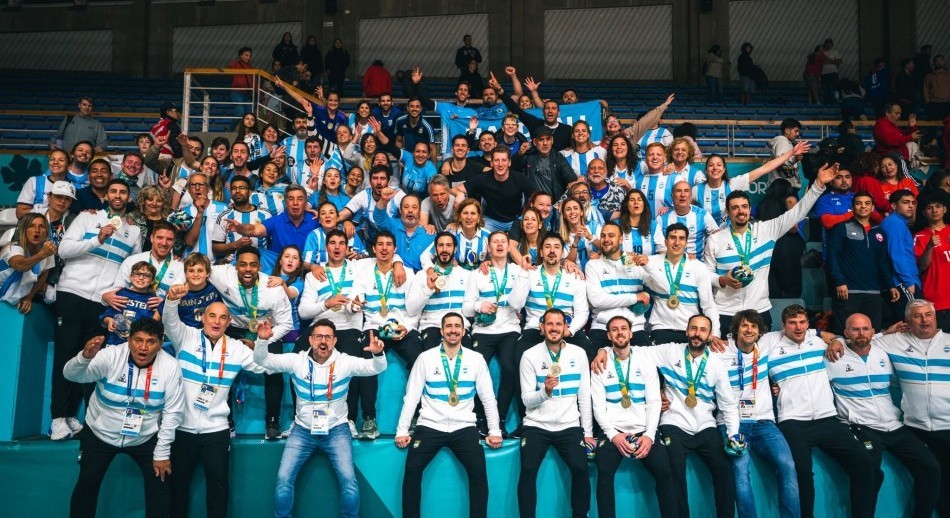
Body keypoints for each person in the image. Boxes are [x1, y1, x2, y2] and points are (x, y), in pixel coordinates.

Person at [254, 318, 387, 518]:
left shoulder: (345, 362)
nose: (322, 341)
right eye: (318, 337)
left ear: (334, 341)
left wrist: (378, 354)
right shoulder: (296, 360)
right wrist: (262, 341)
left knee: (349, 481)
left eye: (327, 337)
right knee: (283, 479)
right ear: (310, 340)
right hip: (302, 431)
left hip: (337, 430)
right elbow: (262, 360)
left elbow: (377, 368)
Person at [826, 300, 949, 516]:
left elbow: (878, 339)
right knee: (870, 470)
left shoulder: (882, 351)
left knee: (930, 467)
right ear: (846, 332)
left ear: (873, 331)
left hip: (895, 425)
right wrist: (835, 340)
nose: (861, 333)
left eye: (866, 329)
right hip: (862, 426)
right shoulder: (833, 357)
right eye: (855, 329)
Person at [162, 286, 270, 518]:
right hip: (182, 429)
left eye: (223, 317)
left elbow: (262, 366)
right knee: (177, 487)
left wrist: (261, 342)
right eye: (212, 315)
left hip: (216, 431)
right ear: (202, 317)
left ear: (229, 322)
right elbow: (169, 321)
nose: (217, 321)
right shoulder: (186, 337)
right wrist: (171, 300)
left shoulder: (236, 348)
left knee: (218, 488)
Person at [63, 319, 184, 518]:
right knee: (87, 483)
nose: (143, 347)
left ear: (161, 344)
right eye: (138, 340)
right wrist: (84, 358)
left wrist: (162, 453)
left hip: (145, 437)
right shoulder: (110, 355)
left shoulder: (170, 367)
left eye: (151, 342)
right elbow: (71, 375)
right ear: (129, 340)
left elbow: (173, 412)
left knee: (160, 484)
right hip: (100, 433)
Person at [51, 179, 142, 441]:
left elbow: (129, 270)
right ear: (106, 196)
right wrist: (97, 239)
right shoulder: (86, 218)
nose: (118, 195)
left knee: (89, 359)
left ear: (128, 198)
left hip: (103, 302)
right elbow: (64, 250)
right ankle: (58, 417)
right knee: (66, 355)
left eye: (123, 192)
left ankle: (72, 416)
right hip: (72, 293)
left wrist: (110, 294)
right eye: (113, 191)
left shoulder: (133, 231)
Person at [765, 305, 874, 518]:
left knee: (864, 464)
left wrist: (833, 340)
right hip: (793, 422)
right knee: (803, 474)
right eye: (792, 323)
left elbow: (839, 338)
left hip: (827, 420)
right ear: (783, 325)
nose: (798, 327)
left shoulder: (818, 342)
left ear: (809, 324)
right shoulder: (771, 344)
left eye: (803, 322)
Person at [704, 161, 835, 334]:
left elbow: (798, 212)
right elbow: (706, 276)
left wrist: (818, 185)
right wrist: (722, 280)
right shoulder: (715, 239)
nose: (740, 211)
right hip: (726, 311)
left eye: (744, 207)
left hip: (759, 310)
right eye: (734, 208)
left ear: (750, 210)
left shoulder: (766, 230)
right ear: (728, 212)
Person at [395, 312, 502, 518]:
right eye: (449, 326)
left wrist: (495, 430)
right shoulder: (425, 358)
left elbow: (488, 398)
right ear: (441, 331)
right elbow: (412, 397)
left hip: (464, 428)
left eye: (457, 326)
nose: (453, 330)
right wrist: (402, 430)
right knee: (412, 473)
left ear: (463, 331)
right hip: (429, 426)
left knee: (479, 475)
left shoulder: (476, 359)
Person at [715, 310, 800, 518]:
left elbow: (797, 330)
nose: (749, 330)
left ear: (760, 331)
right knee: (741, 475)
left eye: (753, 326)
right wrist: (710, 338)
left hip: (764, 422)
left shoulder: (766, 344)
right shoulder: (719, 352)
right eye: (744, 325)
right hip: (732, 425)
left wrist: (832, 338)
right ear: (735, 330)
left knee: (788, 466)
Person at [589, 315, 676, 518]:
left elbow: (654, 402)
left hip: (643, 430)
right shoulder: (600, 363)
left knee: (665, 472)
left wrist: (649, 436)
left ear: (630, 333)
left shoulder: (645, 360)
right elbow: (598, 406)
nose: (620, 332)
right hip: (614, 431)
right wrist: (613, 435)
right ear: (609, 335)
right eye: (615, 329)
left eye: (623, 328)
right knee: (604, 473)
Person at [517, 308, 595, 518]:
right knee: (528, 470)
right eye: (549, 324)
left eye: (558, 324)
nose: (554, 328)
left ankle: (580, 515)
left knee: (580, 469)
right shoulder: (529, 355)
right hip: (536, 425)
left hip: (568, 425)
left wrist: (587, 432)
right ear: (541, 328)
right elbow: (526, 400)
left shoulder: (578, 354)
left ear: (565, 328)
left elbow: (584, 397)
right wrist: (545, 392)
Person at [298, 230, 373, 439]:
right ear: (326, 248)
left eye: (342, 243)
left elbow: (391, 254)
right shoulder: (316, 274)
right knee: (298, 356)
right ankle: (301, 420)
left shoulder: (358, 268)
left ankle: (348, 419)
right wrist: (326, 303)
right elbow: (303, 311)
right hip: (321, 326)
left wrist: (354, 307)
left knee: (351, 357)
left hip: (349, 326)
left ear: (348, 248)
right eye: (332, 243)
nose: (337, 247)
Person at [462, 230, 522, 436]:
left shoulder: (517, 271)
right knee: (476, 371)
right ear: (488, 247)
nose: (499, 245)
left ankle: (501, 418)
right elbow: (466, 309)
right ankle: (480, 419)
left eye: (503, 242)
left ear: (508, 246)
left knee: (510, 368)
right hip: (483, 331)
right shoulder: (477, 274)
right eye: (494, 242)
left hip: (509, 329)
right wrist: (480, 305)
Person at [509, 234, 592, 358]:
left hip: (565, 328)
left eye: (556, 247)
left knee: (589, 353)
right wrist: (524, 272)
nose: (552, 251)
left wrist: (570, 330)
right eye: (547, 247)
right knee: (518, 357)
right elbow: (515, 304)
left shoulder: (574, 277)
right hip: (536, 329)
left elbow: (582, 312)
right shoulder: (530, 273)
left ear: (562, 253)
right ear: (541, 252)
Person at [826, 192, 898, 332]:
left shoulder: (879, 231)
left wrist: (890, 285)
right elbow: (832, 257)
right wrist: (840, 282)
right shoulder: (841, 228)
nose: (863, 206)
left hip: (873, 291)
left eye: (867, 203)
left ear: (872, 208)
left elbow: (882, 261)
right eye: (859, 203)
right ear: (852, 207)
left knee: (873, 333)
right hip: (848, 290)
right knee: (844, 333)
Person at [642, 223, 719, 343]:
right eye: (673, 238)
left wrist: (715, 333)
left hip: (690, 329)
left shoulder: (698, 267)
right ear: (665, 241)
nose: (677, 243)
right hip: (661, 327)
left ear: (686, 242)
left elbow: (708, 305)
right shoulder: (650, 263)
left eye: (681, 238)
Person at [585, 223, 652, 349]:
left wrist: (647, 266)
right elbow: (597, 300)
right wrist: (634, 298)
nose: (606, 240)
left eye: (611, 236)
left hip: (635, 328)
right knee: (596, 366)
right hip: (602, 327)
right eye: (603, 236)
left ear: (621, 239)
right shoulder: (593, 265)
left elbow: (660, 287)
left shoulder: (634, 262)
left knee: (649, 366)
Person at [407, 232, 472, 350]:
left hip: (459, 326)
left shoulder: (467, 276)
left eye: (449, 245)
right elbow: (411, 310)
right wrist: (428, 289)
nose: (445, 249)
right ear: (435, 249)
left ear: (455, 248)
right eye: (441, 245)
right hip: (431, 326)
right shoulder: (422, 276)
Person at [454, 146, 535, 232]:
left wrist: (527, 212)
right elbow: (454, 189)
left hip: (516, 219)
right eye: (496, 160)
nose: (500, 164)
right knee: (480, 235)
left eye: (504, 160)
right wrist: (459, 194)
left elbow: (537, 196)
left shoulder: (519, 178)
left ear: (509, 162)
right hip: (492, 220)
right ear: (491, 163)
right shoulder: (483, 178)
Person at [0, 213, 57, 312]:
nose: (37, 230)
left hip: (16, 300)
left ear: (46, 231)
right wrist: (42, 254)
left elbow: (44, 274)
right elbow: (20, 265)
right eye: (31, 226)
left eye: (41, 226)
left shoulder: (47, 251)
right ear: (24, 230)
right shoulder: (12, 248)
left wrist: (29, 297)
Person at [98, 261, 159, 346]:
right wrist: (109, 320)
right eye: (137, 274)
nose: (141, 278)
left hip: (139, 345)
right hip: (114, 342)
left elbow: (154, 324)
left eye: (146, 275)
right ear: (130, 277)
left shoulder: (153, 300)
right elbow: (104, 316)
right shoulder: (120, 294)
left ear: (152, 280)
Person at [913, 190, 950, 331]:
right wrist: (929, 246)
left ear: (945, 209)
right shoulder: (919, 236)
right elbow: (922, 266)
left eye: (938, 206)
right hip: (936, 301)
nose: (934, 210)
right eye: (930, 207)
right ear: (923, 212)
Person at [881, 190, 920, 321]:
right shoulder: (894, 223)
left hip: (905, 279)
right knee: (913, 323)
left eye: (913, 203)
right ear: (893, 205)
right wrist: (908, 281)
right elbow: (896, 254)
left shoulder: (900, 223)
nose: (911, 206)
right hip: (902, 281)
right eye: (905, 202)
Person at [653, 181, 717, 257]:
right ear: (672, 196)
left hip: (697, 264)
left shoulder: (703, 215)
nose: (682, 195)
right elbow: (659, 247)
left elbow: (717, 237)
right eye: (678, 191)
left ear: (691, 195)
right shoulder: (661, 218)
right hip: (671, 263)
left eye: (686, 191)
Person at [17, 149, 71, 218]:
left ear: (69, 166)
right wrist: (48, 213)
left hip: (61, 227)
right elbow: (20, 213)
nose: (55, 162)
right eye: (52, 159)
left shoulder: (72, 186)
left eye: (61, 160)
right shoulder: (34, 182)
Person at [767, 118, 804, 188]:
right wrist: (794, 159)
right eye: (795, 131)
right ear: (787, 130)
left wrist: (795, 159)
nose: (798, 134)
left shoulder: (786, 142)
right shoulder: (782, 141)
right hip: (782, 187)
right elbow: (780, 161)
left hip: (783, 185)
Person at [924, 54, 950, 122]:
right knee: (931, 123)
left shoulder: (948, 74)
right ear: (934, 63)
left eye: (941, 60)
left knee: (947, 124)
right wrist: (927, 101)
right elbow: (925, 88)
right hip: (933, 102)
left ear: (944, 61)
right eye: (937, 61)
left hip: (947, 102)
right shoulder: (929, 75)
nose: (939, 62)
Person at [819, 38, 843, 104]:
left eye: (830, 44)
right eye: (827, 44)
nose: (828, 45)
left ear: (832, 45)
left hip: (833, 72)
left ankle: (838, 99)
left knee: (836, 87)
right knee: (825, 88)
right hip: (824, 73)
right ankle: (827, 101)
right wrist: (834, 62)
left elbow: (840, 60)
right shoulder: (822, 52)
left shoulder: (835, 51)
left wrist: (830, 61)